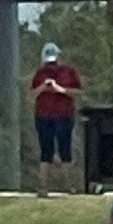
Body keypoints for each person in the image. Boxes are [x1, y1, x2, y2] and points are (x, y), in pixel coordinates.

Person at [30, 41, 82, 196]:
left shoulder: (69, 72)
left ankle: (70, 187)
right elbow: (32, 94)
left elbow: (78, 92)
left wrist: (60, 89)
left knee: (65, 150)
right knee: (46, 151)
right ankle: (44, 188)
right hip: (43, 116)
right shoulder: (40, 74)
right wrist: (43, 88)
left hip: (64, 115)